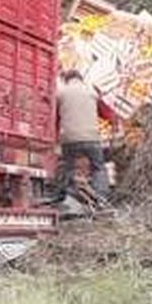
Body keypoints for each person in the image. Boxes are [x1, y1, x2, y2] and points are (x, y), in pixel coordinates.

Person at [55, 69, 110, 208]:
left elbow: (55, 119)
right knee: (98, 167)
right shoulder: (91, 93)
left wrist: (56, 138)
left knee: (68, 167)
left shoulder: (61, 93)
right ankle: (101, 198)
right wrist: (115, 129)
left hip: (69, 139)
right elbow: (108, 114)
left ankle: (67, 198)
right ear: (81, 79)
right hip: (91, 138)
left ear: (66, 80)